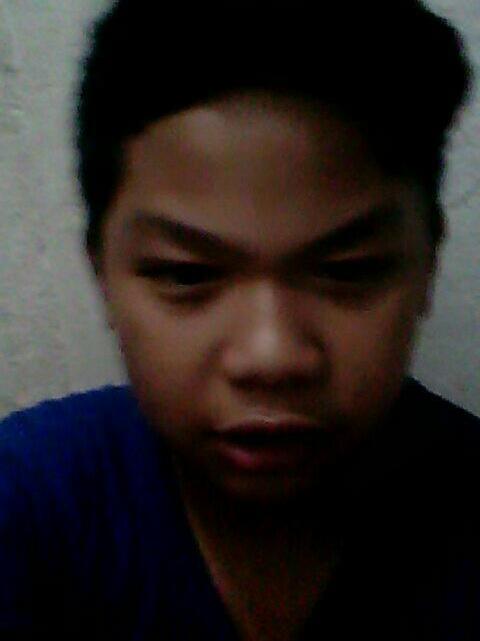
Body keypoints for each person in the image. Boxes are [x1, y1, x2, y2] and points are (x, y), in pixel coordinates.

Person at [0, 1, 478, 639]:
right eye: (185, 275)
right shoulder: (27, 502)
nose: (270, 356)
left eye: (350, 270)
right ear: (102, 274)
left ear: (427, 265)